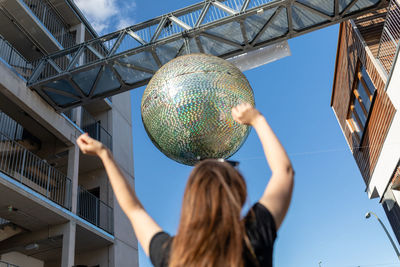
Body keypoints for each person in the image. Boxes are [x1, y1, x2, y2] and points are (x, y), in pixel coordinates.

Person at [76, 103, 294, 267]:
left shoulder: (173, 255)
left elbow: (134, 210)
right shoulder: (252, 237)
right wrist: (257, 119)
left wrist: (104, 155)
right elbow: (284, 172)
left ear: (191, 199)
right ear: (239, 192)